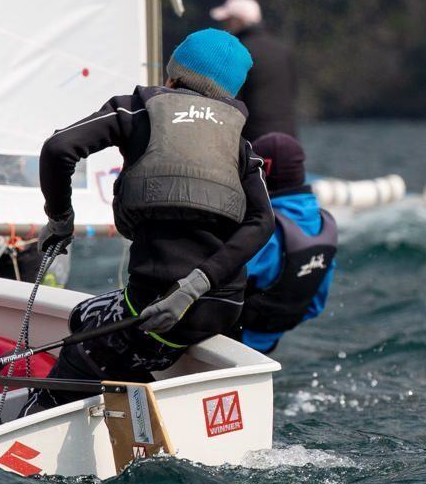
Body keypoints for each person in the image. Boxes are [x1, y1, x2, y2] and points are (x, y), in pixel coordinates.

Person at [26, 29, 275, 412]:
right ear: (229, 95)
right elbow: (262, 221)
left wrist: (60, 220)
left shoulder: (137, 110)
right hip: (221, 310)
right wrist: (195, 286)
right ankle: (138, 395)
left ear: (173, 74)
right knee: (84, 315)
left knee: (77, 350)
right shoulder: (239, 144)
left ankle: (79, 408)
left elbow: (59, 148)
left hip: (156, 309)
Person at [236, 133, 337, 355]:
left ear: (261, 172)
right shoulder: (323, 223)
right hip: (268, 341)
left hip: (231, 341)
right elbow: (315, 306)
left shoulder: (263, 230)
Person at [210, 0, 298, 142]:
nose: (224, 27)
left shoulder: (236, 52)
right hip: (287, 139)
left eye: (227, 21)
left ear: (240, 21)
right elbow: (292, 91)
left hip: (252, 141)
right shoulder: (282, 51)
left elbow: (229, 101)